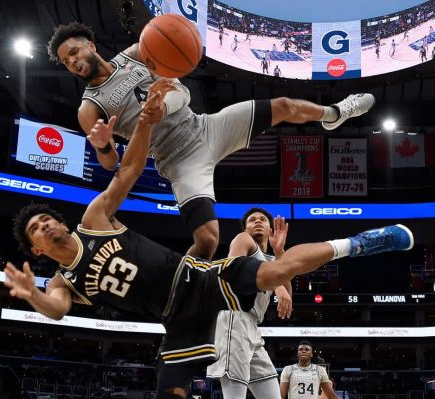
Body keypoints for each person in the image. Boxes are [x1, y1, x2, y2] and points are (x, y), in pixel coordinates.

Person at [4, 79, 413, 399]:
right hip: (176, 323)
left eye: (47, 219)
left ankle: (359, 243)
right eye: (37, 230)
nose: (47, 226)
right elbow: (56, 310)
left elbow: (128, 170)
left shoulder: (93, 220)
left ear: (59, 220)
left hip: (194, 280)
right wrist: (33, 297)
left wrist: (145, 121)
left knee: (273, 271)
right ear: (36, 249)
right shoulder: (62, 281)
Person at [47, 22, 376, 261]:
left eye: (74, 51)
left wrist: (161, 107)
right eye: (66, 61)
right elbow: (109, 164)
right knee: (207, 240)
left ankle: (334, 113)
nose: (73, 62)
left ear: (90, 44)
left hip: (204, 127)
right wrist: (104, 144)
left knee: (284, 106)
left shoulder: (137, 53)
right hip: (177, 159)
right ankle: (181, 291)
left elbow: (180, 90)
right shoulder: (88, 109)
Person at [206, 208, 291, 399]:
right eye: (252, 220)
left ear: (271, 229)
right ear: (245, 228)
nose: (257, 222)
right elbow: (234, 269)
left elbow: (288, 297)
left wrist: (280, 253)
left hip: (253, 328)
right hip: (233, 318)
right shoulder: (243, 241)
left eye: (263, 219)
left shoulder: (272, 260)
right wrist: (276, 284)